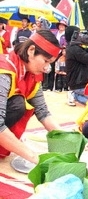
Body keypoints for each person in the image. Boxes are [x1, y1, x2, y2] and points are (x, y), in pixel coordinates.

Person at [0, 29, 62, 164]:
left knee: (18, 104)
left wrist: (66, 138)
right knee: (18, 105)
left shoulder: (31, 74)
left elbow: (42, 111)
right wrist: (33, 157)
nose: (47, 68)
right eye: (46, 61)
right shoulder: (4, 72)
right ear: (31, 50)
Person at [65, 26, 88, 106]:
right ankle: (74, 95)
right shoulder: (74, 49)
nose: (81, 36)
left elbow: (84, 53)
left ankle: (74, 95)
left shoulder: (73, 47)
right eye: (79, 33)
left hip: (79, 82)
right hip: (79, 83)